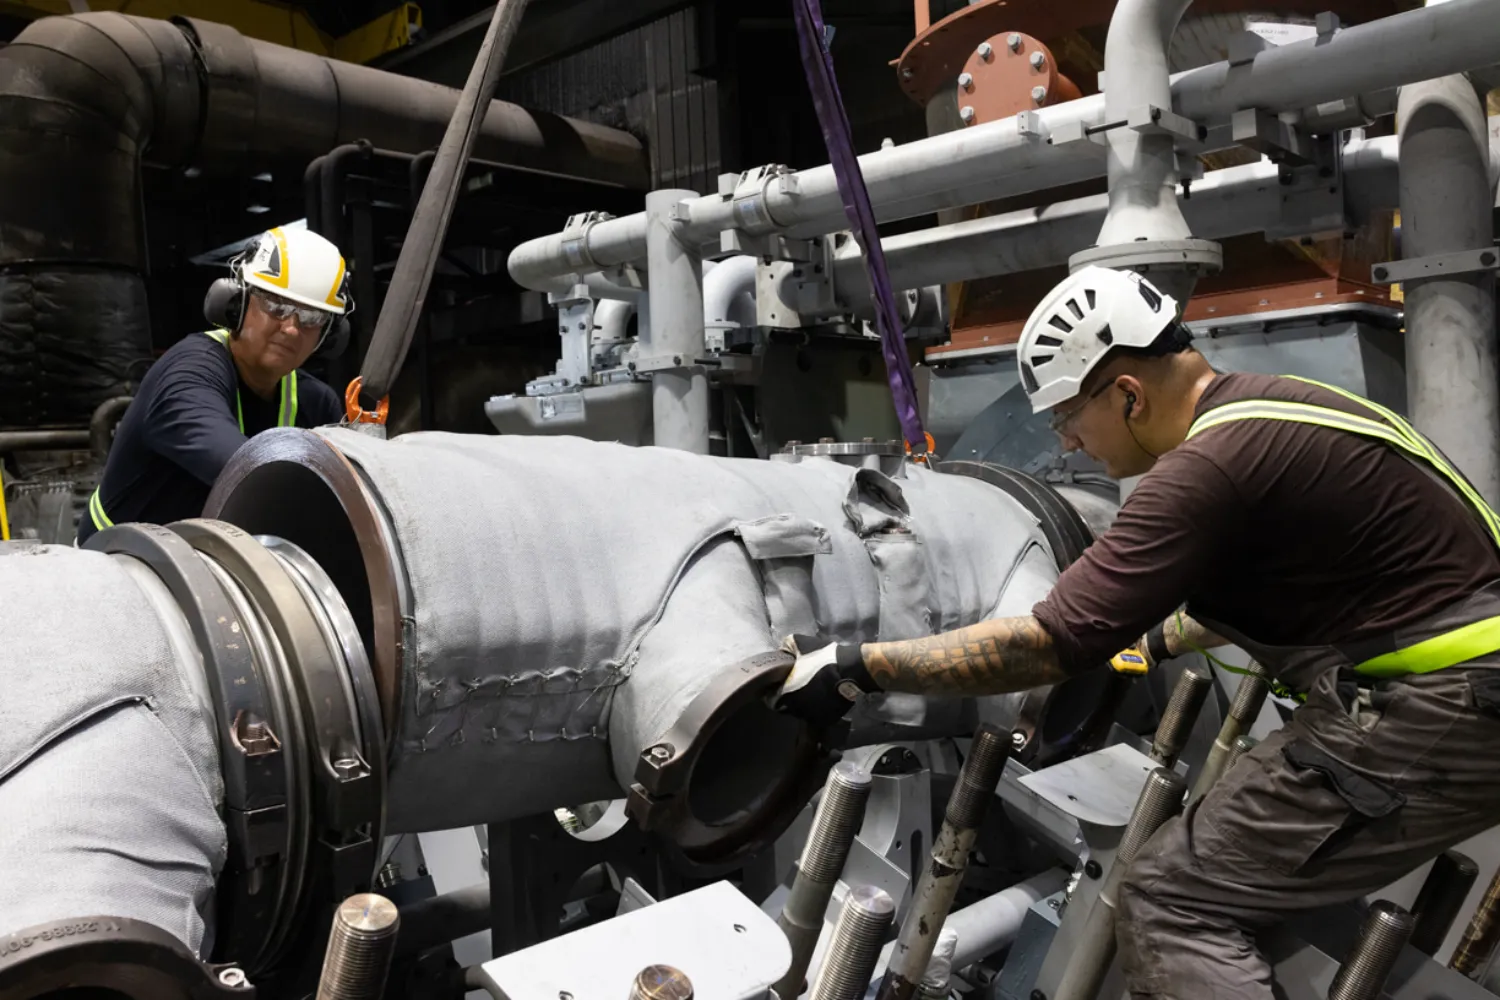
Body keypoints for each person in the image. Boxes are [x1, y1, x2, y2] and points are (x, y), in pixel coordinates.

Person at [774, 264, 1500, 999]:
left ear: (1126, 393)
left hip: (1436, 707)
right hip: (1462, 688)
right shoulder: (1278, 406)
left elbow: (1046, 641)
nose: (1067, 444)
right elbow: (1284, 576)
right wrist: (1146, 647)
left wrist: (858, 665)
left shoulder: (1202, 470)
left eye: (1066, 417)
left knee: (1173, 898)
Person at [78, 227, 350, 545]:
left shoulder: (316, 402)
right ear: (238, 302)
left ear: (329, 335)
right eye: (276, 305)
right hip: (117, 565)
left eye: (310, 316)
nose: (291, 328)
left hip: (208, 570)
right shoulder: (187, 374)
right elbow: (242, 468)